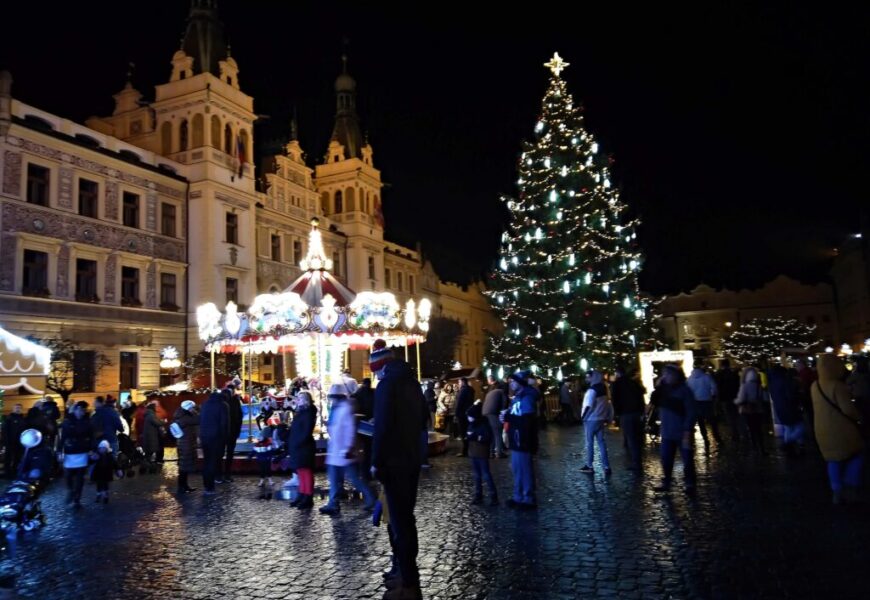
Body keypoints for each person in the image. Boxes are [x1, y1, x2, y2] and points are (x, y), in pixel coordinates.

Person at [370, 339, 426, 600]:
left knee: (399, 522)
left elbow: (381, 428)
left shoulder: (386, 386)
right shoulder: (412, 383)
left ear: (380, 367)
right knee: (406, 519)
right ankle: (404, 575)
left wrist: (376, 462)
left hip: (393, 461)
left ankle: (409, 584)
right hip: (411, 458)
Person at [811, 354, 865, 504]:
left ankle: (836, 490)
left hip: (821, 430)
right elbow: (848, 410)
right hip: (841, 429)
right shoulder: (837, 386)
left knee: (832, 460)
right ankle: (850, 484)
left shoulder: (815, 385)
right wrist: (860, 417)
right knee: (857, 454)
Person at [320, 383, 376, 515]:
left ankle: (369, 499)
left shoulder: (344, 410)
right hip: (339, 451)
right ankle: (335, 502)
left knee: (353, 478)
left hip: (343, 451)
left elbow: (349, 430)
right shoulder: (340, 409)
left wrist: (348, 447)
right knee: (342, 478)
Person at [652, 365, 697, 494]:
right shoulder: (663, 390)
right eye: (664, 374)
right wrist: (658, 387)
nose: (665, 376)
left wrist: (687, 429)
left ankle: (690, 483)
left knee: (687, 458)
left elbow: (691, 411)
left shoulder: (685, 390)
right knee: (666, 458)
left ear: (676, 375)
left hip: (682, 431)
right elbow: (654, 400)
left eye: (668, 374)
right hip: (667, 431)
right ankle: (666, 481)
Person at [503, 370, 539, 509]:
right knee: (517, 469)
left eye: (513, 381)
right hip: (516, 438)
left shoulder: (527, 397)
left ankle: (527, 498)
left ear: (521, 382)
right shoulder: (518, 397)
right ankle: (518, 496)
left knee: (525, 469)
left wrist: (509, 418)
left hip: (523, 439)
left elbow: (527, 421)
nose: (511, 384)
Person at [59, 401, 94, 509]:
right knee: (68, 475)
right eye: (80, 410)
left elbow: (91, 436)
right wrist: (59, 451)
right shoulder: (68, 421)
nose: (81, 412)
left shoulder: (87, 422)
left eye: (83, 410)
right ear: (76, 410)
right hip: (70, 451)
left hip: (82, 451)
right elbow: (62, 437)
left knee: (80, 478)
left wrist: (92, 449)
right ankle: (71, 490)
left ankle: (77, 499)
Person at [610, 367, 646, 471]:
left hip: (626, 413)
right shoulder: (633, 382)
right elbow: (641, 394)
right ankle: (637, 460)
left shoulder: (618, 384)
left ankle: (636, 463)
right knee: (636, 437)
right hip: (636, 413)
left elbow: (615, 399)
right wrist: (641, 411)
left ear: (617, 374)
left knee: (631, 438)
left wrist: (617, 414)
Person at [580, 370, 613, 476]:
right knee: (601, 442)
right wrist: (608, 417)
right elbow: (608, 405)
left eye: (588, 377)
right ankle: (607, 466)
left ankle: (589, 465)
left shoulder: (592, 390)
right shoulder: (604, 389)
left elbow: (589, 406)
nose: (586, 379)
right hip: (601, 418)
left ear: (593, 378)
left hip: (591, 419)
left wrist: (584, 417)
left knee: (589, 443)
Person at [287, 390, 317, 510]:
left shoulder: (308, 413)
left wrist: (298, 442)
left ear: (305, 400)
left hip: (303, 446)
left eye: (299, 398)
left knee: (305, 472)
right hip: (298, 446)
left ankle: (307, 496)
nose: (297, 400)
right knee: (301, 472)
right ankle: (302, 493)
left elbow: (305, 430)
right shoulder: (302, 412)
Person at [767, 364, 805, 457]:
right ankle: (787, 444)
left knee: (788, 427)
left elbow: (772, 396)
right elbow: (790, 396)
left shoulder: (772, 383)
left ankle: (790, 448)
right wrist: (799, 397)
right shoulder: (785, 381)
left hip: (779, 409)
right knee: (801, 428)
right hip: (790, 408)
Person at [467, 401, 498, 505]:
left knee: (486, 474)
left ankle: (493, 496)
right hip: (473, 453)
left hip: (481, 453)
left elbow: (487, 437)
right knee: (477, 475)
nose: (469, 418)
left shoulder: (483, 424)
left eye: (470, 416)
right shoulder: (472, 424)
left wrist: (475, 437)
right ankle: (478, 495)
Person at [199, 391, 228, 495]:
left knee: (207, 461)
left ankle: (207, 486)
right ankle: (210, 488)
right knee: (213, 461)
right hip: (216, 437)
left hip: (204, 436)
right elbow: (223, 423)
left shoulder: (204, 404)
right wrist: (224, 438)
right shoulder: (222, 405)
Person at [735, 367, 767, 454]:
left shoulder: (744, 386)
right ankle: (762, 447)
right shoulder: (758, 386)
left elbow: (741, 399)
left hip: (747, 411)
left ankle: (754, 447)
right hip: (758, 410)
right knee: (759, 429)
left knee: (751, 429)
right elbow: (764, 397)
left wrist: (735, 402)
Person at [687, 365, 720, 447]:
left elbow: (687, 391)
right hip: (707, 401)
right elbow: (714, 388)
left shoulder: (689, 379)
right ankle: (717, 438)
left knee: (700, 421)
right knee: (712, 421)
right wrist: (712, 395)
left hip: (695, 402)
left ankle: (705, 438)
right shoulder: (707, 377)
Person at [173, 400, 199, 495]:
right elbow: (198, 419)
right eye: (192, 407)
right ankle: (181, 487)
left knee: (184, 467)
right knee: (184, 467)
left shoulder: (180, 415)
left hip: (184, 443)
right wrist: (195, 412)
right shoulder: (185, 418)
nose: (193, 409)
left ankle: (184, 486)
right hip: (186, 444)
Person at [714, 360, 740, 441]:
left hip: (724, 398)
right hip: (734, 396)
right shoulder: (734, 373)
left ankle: (734, 434)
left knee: (729, 416)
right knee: (736, 415)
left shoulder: (719, 374)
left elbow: (717, 386)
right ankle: (739, 432)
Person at [482, 375, 508, 458]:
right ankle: (499, 453)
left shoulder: (490, 392)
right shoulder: (502, 392)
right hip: (493, 413)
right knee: (498, 433)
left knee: (492, 433)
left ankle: (491, 452)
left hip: (485, 413)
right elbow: (504, 404)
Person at [90, 439, 122, 504]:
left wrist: (118, 469)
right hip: (98, 473)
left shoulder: (109, 456)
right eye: (101, 448)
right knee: (99, 484)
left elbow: (114, 463)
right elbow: (91, 461)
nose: (102, 449)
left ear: (106, 449)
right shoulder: (97, 455)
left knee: (105, 485)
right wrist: (91, 458)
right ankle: (99, 495)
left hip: (106, 473)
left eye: (104, 448)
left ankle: (105, 496)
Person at [223, 385, 243, 483]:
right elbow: (239, 417)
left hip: (230, 431)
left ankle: (225, 474)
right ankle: (225, 474)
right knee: (226, 453)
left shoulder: (234, 401)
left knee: (227, 453)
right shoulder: (232, 401)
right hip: (229, 431)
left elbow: (239, 416)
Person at [3, 404, 26, 478]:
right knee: (8, 457)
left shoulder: (23, 420)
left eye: (19, 408)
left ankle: (14, 471)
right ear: (13, 409)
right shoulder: (9, 419)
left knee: (17, 457)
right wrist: (6, 441)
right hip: (10, 442)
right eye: (16, 408)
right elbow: (5, 431)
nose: (18, 409)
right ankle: (7, 472)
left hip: (19, 443)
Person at [142, 402, 165, 471]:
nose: (156, 408)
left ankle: (146, 467)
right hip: (151, 436)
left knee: (149, 453)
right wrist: (163, 421)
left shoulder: (149, 414)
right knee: (150, 453)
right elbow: (157, 423)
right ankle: (149, 467)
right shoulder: (151, 415)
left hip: (149, 436)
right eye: (155, 407)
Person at [847, 355, 870, 426]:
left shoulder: (856, 374)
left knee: (862, 412)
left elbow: (848, 382)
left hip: (859, 396)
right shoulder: (867, 373)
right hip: (867, 394)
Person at [454, 377, 474, 457]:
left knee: (463, 432)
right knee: (468, 431)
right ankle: (469, 449)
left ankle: (465, 451)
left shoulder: (463, 390)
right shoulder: (471, 390)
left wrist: (456, 413)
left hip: (462, 414)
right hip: (468, 413)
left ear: (462, 382)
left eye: (459, 382)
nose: (458, 384)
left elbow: (459, 403)